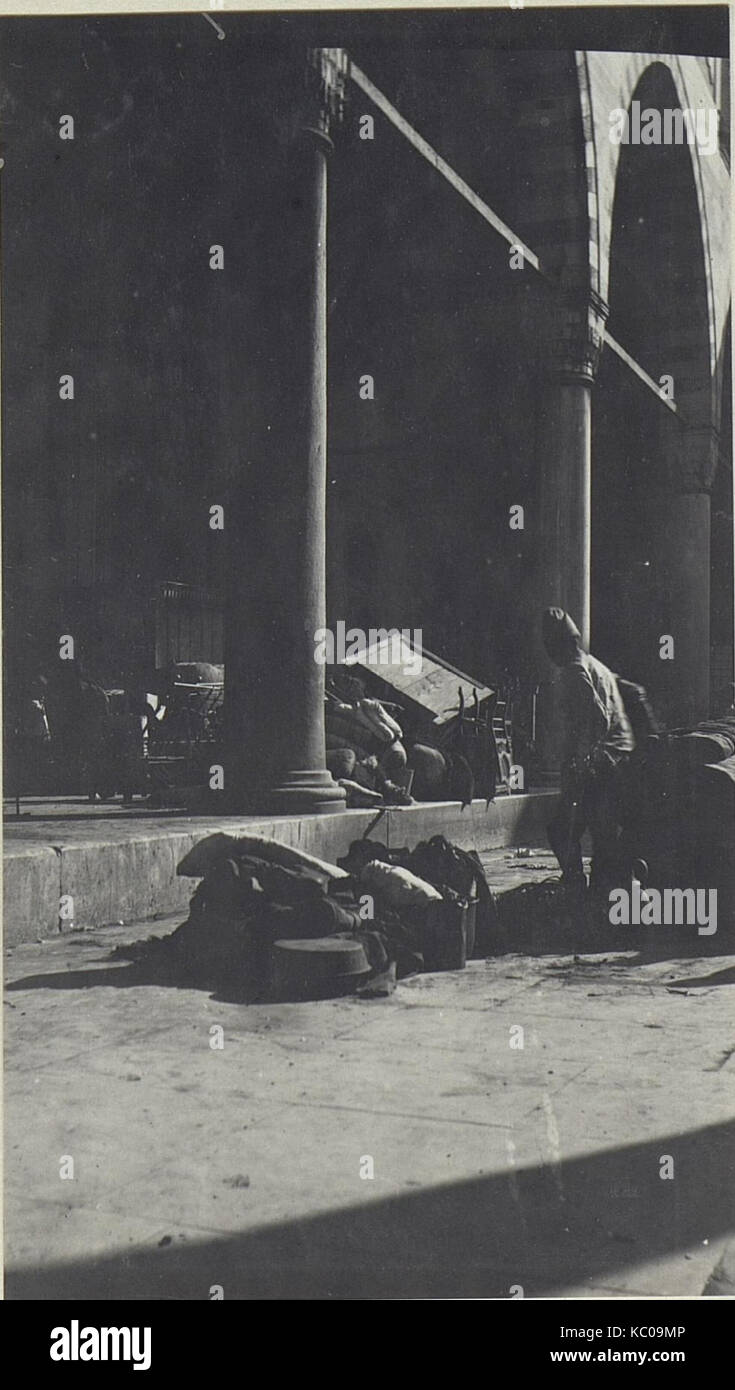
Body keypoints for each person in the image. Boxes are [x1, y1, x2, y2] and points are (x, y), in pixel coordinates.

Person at [542, 607, 634, 893]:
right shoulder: (595, 664)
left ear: (561, 645)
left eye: (550, 646)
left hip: (600, 761)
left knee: (562, 830)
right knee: (601, 833)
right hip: (619, 755)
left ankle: (576, 886)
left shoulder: (573, 671)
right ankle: (601, 892)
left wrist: (580, 763)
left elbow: (598, 719)